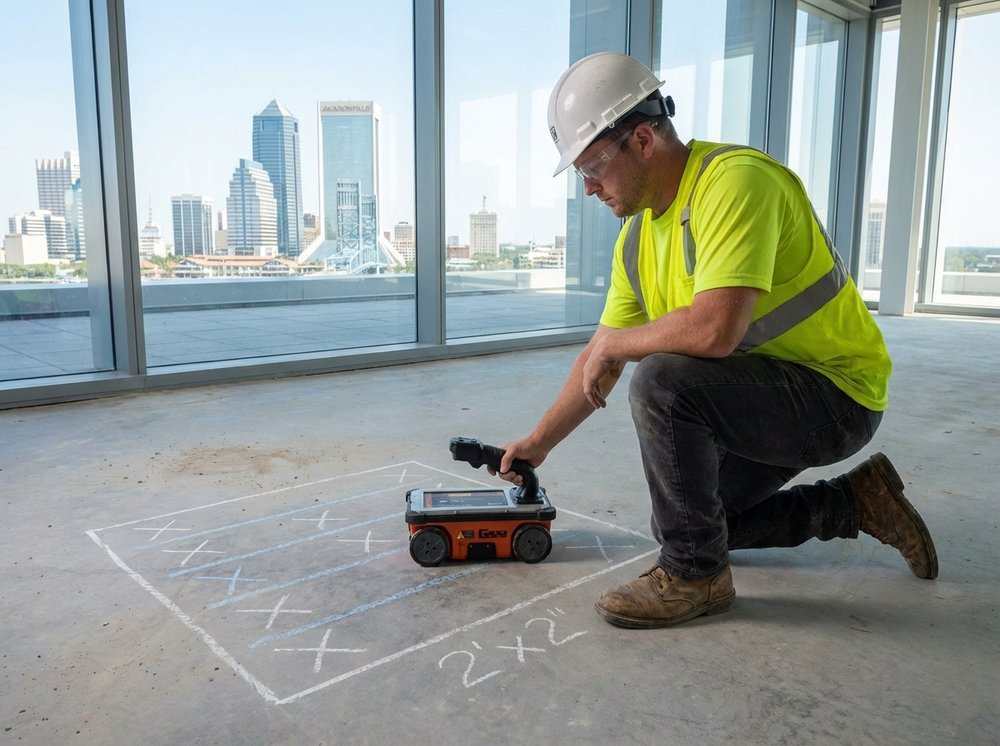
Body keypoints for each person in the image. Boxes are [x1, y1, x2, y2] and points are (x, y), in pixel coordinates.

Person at [494, 51, 938, 629]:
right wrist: (538, 443)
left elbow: (714, 329)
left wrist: (620, 347)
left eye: (594, 165)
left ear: (643, 138)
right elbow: (597, 356)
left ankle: (695, 576)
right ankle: (855, 502)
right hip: (762, 396)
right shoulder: (636, 239)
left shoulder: (734, 183)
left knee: (663, 381)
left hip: (837, 396)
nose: (589, 187)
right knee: (690, 516)